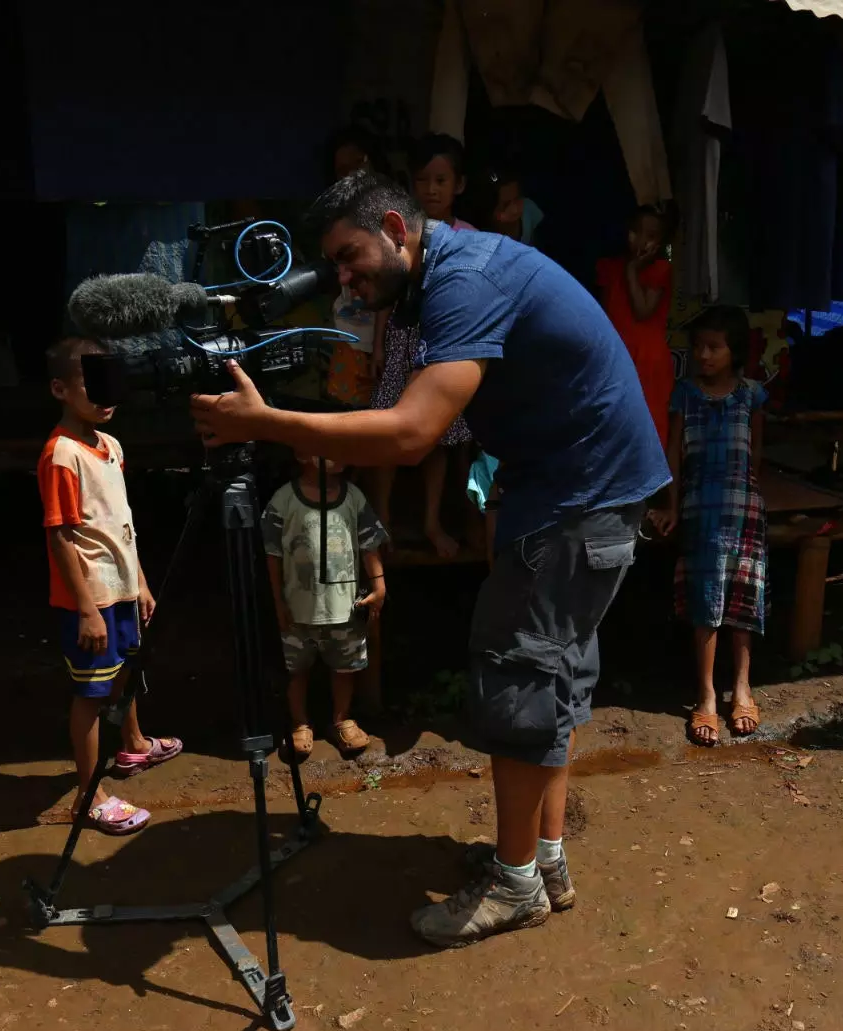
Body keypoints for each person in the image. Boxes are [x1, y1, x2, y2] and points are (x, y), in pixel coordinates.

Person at [190, 170, 670, 948]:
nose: (343, 277)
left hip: (577, 502)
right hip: (580, 493)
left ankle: (515, 885)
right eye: (333, 266)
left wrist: (266, 424)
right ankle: (543, 861)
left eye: (350, 257)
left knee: (518, 675)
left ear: (394, 225)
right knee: (551, 675)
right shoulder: (449, 272)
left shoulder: (464, 280)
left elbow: (412, 434)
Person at [38, 338, 182, 835]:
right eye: (90, 385)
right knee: (92, 694)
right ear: (60, 389)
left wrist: (139, 581)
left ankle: (134, 745)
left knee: (126, 670)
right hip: (92, 598)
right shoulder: (60, 455)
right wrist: (87, 610)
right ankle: (89, 794)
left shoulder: (111, 446)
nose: (105, 395)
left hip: (121, 587)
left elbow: (122, 521)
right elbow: (60, 536)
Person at [649, 306, 768, 747]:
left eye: (713, 347)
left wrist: (754, 497)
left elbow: (757, 458)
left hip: (744, 509)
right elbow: (674, 453)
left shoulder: (752, 395)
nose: (703, 354)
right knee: (706, 602)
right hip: (700, 509)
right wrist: (672, 506)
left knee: (743, 600)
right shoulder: (685, 394)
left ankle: (742, 688)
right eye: (698, 346)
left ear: (734, 351)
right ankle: (705, 696)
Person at [369, 133, 476, 559]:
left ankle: (431, 522)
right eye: (423, 180)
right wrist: (378, 346)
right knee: (385, 431)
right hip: (400, 340)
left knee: (441, 437)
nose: (431, 189)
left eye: (441, 180)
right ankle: (382, 521)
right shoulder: (399, 231)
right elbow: (383, 293)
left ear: (459, 185)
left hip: (443, 347)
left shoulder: (468, 236)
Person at [263, 451, 388, 758]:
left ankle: (342, 719)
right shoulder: (284, 500)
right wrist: (278, 601)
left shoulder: (353, 497)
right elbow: (272, 554)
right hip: (297, 610)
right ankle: (299, 723)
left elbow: (368, 542)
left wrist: (379, 584)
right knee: (296, 669)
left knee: (344, 667)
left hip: (345, 609)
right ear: (302, 454)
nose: (336, 451)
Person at [596, 205, 675, 448]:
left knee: (647, 428)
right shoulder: (608, 267)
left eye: (651, 236)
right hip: (616, 355)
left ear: (661, 243)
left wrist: (631, 270)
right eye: (636, 232)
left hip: (648, 361)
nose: (641, 241)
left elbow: (642, 311)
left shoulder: (660, 270)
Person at [324, 128, 389, 409]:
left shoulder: (385, 220)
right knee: (346, 414)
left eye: (358, 164)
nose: (351, 175)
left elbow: (388, 288)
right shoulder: (334, 221)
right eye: (343, 169)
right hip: (347, 337)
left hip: (379, 341)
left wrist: (379, 346)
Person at [487, 165, 545, 247]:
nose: (515, 210)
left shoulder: (529, 209)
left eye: (517, 199)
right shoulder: (485, 237)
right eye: (506, 205)